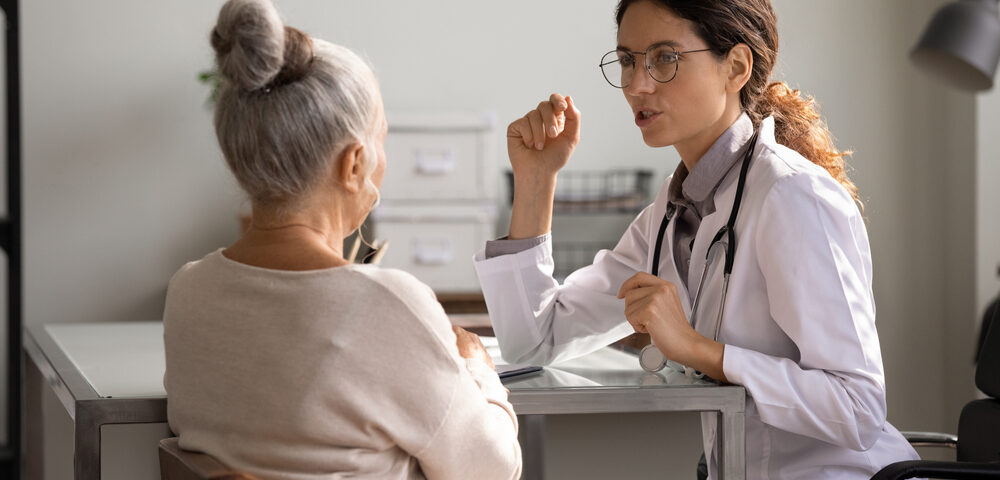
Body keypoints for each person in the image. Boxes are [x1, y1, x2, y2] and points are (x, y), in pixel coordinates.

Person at [474, 0, 919, 478]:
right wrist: (536, 181)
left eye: (664, 58)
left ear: (736, 67)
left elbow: (858, 408)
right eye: (627, 61)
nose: (637, 85)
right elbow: (533, 341)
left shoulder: (792, 197)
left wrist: (696, 348)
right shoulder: (669, 216)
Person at [162, 1, 521, 478]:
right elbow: (492, 471)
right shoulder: (387, 303)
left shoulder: (188, 291)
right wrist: (479, 370)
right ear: (353, 164)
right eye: (382, 140)